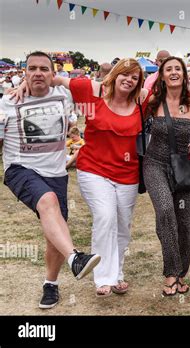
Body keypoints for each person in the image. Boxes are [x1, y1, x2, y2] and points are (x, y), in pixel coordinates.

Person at [15, 58, 152, 296]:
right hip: (94, 169)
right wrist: (24, 85)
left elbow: (180, 88)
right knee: (105, 216)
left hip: (128, 173)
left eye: (134, 77)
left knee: (122, 225)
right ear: (115, 75)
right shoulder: (90, 91)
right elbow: (54, 78)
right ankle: (103, 279)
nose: (129, 80)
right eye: (125, 74)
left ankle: (117, 273)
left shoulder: (142, 100)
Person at [2, 51, 101, 309]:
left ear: (52, 74)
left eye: (43, 69)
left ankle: (51, 284)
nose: (37, 73)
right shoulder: (7, 102)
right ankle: (76, 258)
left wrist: (61, 83)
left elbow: (99, 89)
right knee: (48, 202)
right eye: (31, 68)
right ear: (23, 72)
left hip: (56, 173)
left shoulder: (64, 96)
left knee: (55, 234)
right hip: (20, 169)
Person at [143, 56, 190, 296]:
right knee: (165, 212)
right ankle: (171, 273)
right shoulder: (151, 101)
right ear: (161, 75)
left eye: (177, 69)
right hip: (155, 164)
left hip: (182, 167)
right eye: (168, 69)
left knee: (184, 223)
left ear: (184, 74)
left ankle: (181, 274)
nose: (173, 72)